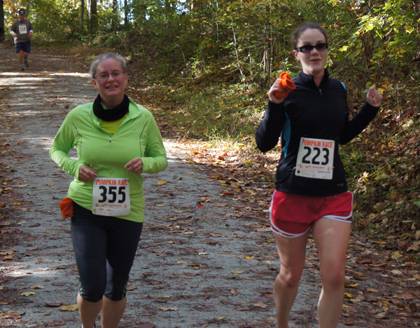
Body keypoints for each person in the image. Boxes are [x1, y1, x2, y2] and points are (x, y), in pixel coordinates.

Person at [255, 22, 382, 328]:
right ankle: (282, 323)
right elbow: (264, 143)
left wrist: (370, 109)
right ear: (296, 53)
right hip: (293, 194)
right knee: (290, 276)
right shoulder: (287, 89)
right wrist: (274, 105)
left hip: (333, 195)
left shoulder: (338, 89)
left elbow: (342, 136)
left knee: (335, 275)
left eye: (320, 45)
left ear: (327, 50)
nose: (314, 52)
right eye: (307, 47)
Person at [50, 53, 168, 328]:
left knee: (116, 286)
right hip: (85, 206)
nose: (111, 79)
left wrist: (145, 163)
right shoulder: (78, 116)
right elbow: (57, 149)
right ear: (94, 82)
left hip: (128, 211)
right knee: (92, 284)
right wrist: (74, 166)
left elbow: (160, 158)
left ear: (126, 79)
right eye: (103, 75)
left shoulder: (143, 118)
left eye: (116, 73)